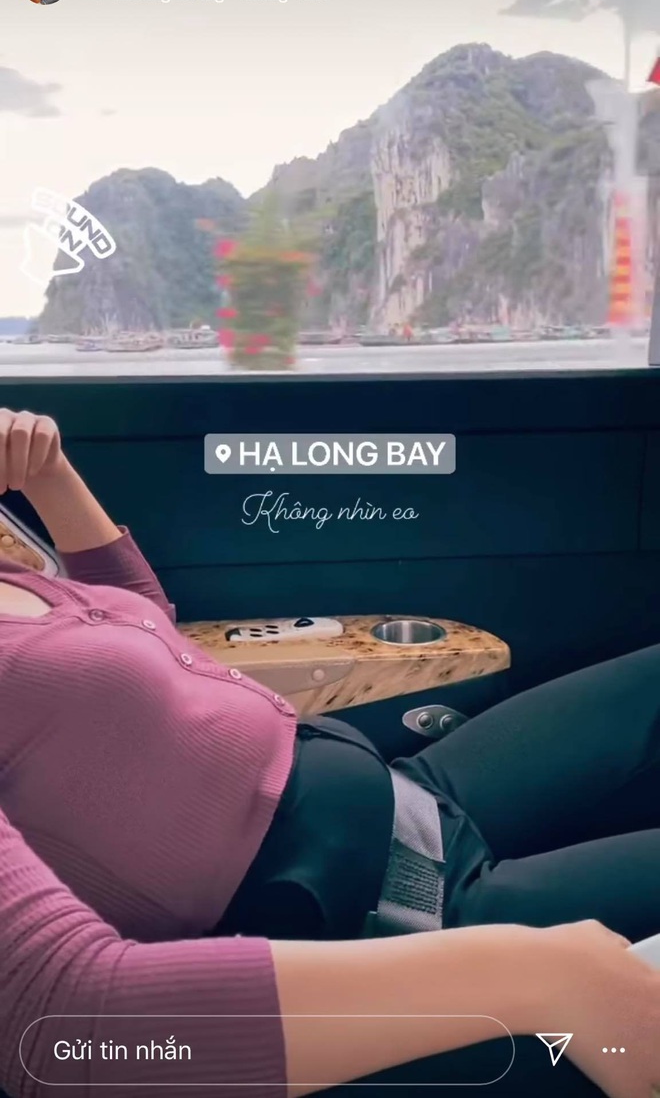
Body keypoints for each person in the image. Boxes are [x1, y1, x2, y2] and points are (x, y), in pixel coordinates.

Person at [0, 406, 658, 1098]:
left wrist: (50, 476)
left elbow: (142, 631)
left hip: (406, 799)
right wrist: (531, 976)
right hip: (387, 914)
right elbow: (55, 1023)